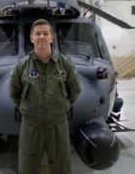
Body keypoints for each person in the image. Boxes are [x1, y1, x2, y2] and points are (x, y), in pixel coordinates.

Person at [9, 19, 81, 174]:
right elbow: (14, 92)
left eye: (45, 33)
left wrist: (64, 106)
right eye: (38, 33)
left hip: (58, 124)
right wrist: (25, 108)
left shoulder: (65, 64)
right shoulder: (22, 66)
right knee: (27, 166)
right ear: (31, 38)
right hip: (31, 125)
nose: (41, 36)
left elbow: (74, 90)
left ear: (51, 37)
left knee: (62, 166)